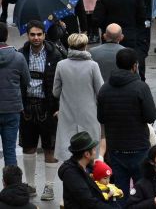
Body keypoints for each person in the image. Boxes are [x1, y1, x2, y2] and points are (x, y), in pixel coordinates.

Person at [95, 48, 156, 200]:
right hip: (139, 146)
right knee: (142, 191)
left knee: (119, 192)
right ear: (135, 66)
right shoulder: (141, 87)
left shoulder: (104, 89)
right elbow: (150, 116)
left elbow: (101, 117)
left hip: (116, 148)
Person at [53, 34, 103, 203]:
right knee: (89, 156)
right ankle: (91, 195)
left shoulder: (61, 65)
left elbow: (55, 91)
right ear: (85, 46)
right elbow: (100, 90)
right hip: (89, 114)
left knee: (68, 157)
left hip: (68, 115)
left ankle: (66, 196)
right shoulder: (92, 65)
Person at [16, 19, 61, 182]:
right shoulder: (20, 54)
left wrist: (59, 107)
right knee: (28, 147)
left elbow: (61, 81)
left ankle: (49, 186)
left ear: (44, 35)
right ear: (27, 36)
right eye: (32, 35)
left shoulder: (55, 54)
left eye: (39, 34)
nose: (36, 38)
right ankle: (30, 184)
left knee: (50, 147)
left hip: (48, 107)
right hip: (26, 106)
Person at [58, 132, 105, 209]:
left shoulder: (87, 166)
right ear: (86, 154)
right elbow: (89, 202)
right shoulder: (72, 175)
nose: (95, 152)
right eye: (93, 150)